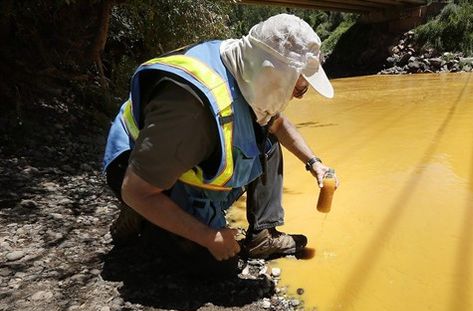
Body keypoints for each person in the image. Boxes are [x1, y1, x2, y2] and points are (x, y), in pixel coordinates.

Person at [102, 14, 339, 263]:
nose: (300, 96)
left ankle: (262, 235)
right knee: (215, 263)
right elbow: (135, 190)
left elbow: (277, 124)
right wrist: (208, 236)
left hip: (178, 154)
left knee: (266, 141)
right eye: (300, 88)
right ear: (275, 76)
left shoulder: (248, 68)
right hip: (139, 173)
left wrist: (315, 163)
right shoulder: (190, 111)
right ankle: (146, 221)